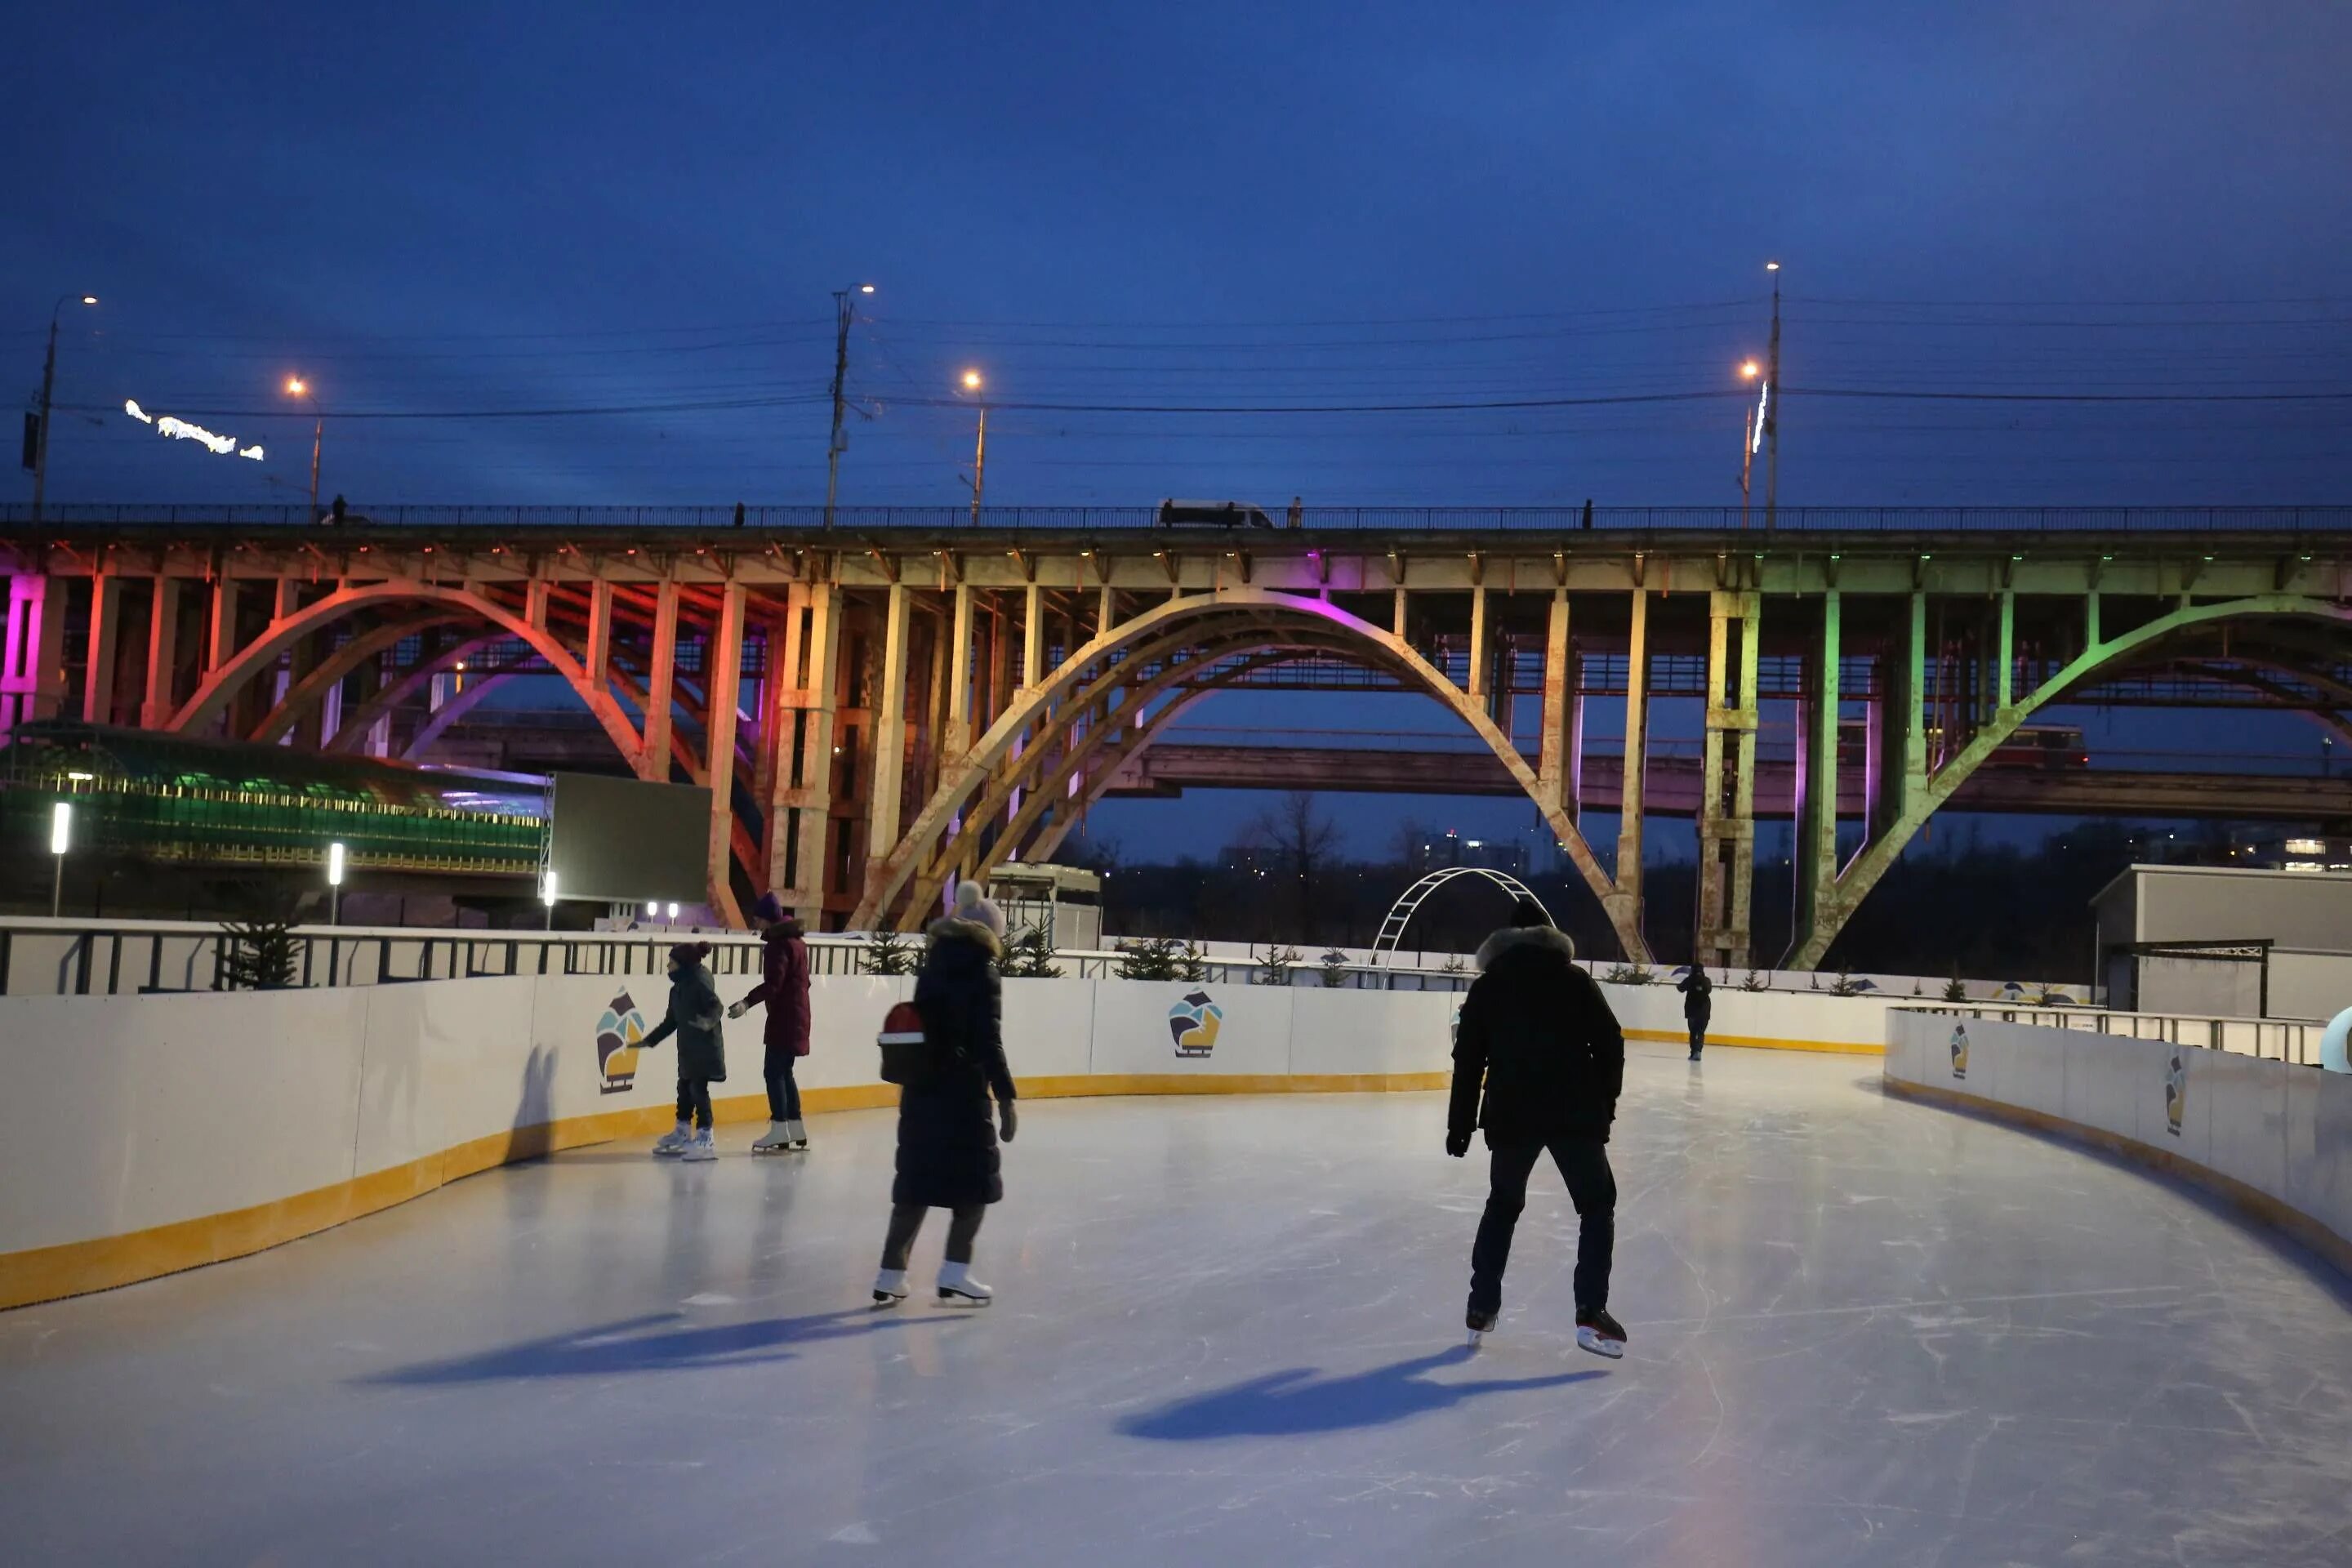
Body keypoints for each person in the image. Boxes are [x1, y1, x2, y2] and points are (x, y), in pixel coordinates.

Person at [1446, 896, 1627, 1357]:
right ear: (1550, 937)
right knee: (1596, 1205)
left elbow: (1467, 1062)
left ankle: (1480, 1307)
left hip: (1512, 1114)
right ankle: (1590, 1311)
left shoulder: (1488, 988)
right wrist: (1604, 1105)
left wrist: (1461, 1125)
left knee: (1502, 1205)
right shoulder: (1574, 982)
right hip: (1574, 1113)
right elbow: (1611, 1043)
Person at [873, 882, 1018, 1308]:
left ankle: (890, 1273)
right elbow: (988, 1041)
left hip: (921, 1091)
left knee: (916, 1185)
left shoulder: (932, 966)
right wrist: (1007, 1096)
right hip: (962, 1097)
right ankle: (955, 1271)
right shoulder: (983, 972)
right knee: (975, 1188)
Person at [729, 892, 813, 1153]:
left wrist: (746, 1003)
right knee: (784, 1072)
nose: (755, 923)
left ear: (766, 919)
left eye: (757, 918)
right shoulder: (797, 943)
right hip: (798, 1014)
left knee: (773, 1072)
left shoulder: (777, 946)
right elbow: (803, 982)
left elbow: (773, 985)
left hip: (785, 1018)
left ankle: (779, 1128)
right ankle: (794, 1126)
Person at [643, 942, 727, 1162]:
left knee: (698, 1090)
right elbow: (672, 1021)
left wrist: (707, 1022)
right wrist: (650, 1040)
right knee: (684, 1088)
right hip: (689, 1049)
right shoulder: (678, 988)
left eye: (672, 962)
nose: (668, 965)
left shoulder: (699, 982)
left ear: (683, 965)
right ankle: (682, 1131)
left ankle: (706, 1137)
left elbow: (716, 1006)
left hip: (705, 1048)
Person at [1678, 966, 1713, 1061]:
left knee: (1693, 1032)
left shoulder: (1690, 980)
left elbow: (1680, 988)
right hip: (1704, 1011)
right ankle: (1698, 1051)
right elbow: (1709, 990)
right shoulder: (1706, 980)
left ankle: (1694, 1052)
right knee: (1701, 1032)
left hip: (1692, 1012)